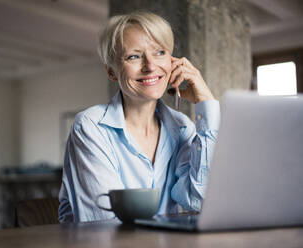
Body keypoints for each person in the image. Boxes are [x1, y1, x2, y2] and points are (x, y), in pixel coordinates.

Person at [58, 11, 220, 223]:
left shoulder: (182, 128)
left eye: (160, 52)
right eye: (134, 56)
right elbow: (103, 224)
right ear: (112, 72)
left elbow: (199, 201)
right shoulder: (90, 127)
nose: (151, 66)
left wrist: (205, 102)